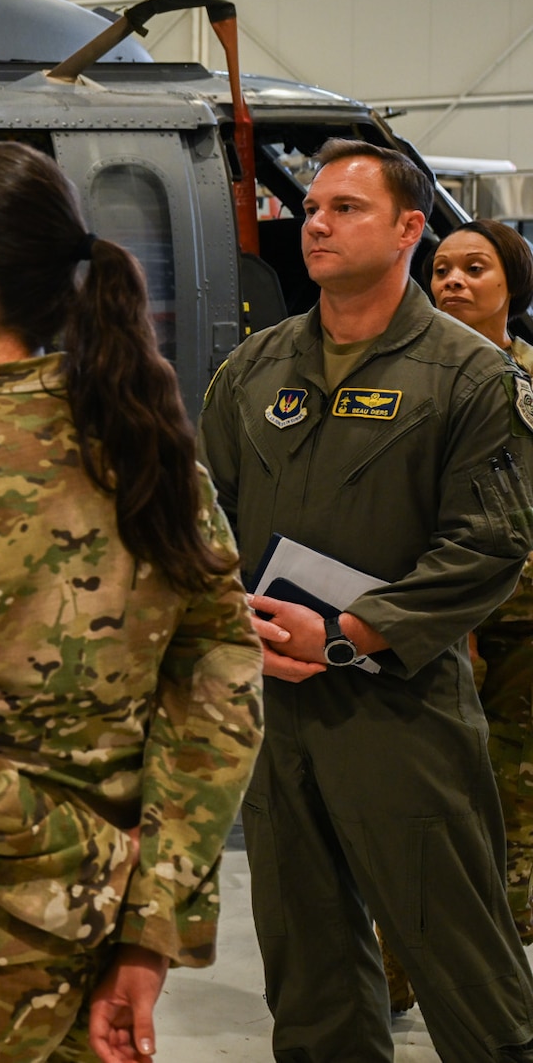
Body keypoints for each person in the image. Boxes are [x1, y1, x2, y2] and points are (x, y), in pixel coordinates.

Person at [0, 142, 263, 1062]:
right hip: (105, 948)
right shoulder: (147, 450)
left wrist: (101, 873)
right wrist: (146, 915)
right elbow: (221, 680)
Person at [200, 141, 533, 1063]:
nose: (316, 222)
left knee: (461, 957)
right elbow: (204, 516)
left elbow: (491, 541)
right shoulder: (255, 370)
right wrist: (233, 619)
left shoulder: (470, 376)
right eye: (312, 208)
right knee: (306, 971)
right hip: (278, 708)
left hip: (404, 710)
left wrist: (348, 631)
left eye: (346, 208)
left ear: (409, 228)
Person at [376, 217, 533, 1011]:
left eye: (476, 267)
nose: (454, 281)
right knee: (423, 808)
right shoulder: (405, 379)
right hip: (430, 621)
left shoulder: (529, 379)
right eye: (442, 268)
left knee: (515, 795)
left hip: (526, 626)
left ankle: (494, 968)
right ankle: (401, 972)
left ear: (512, 286)